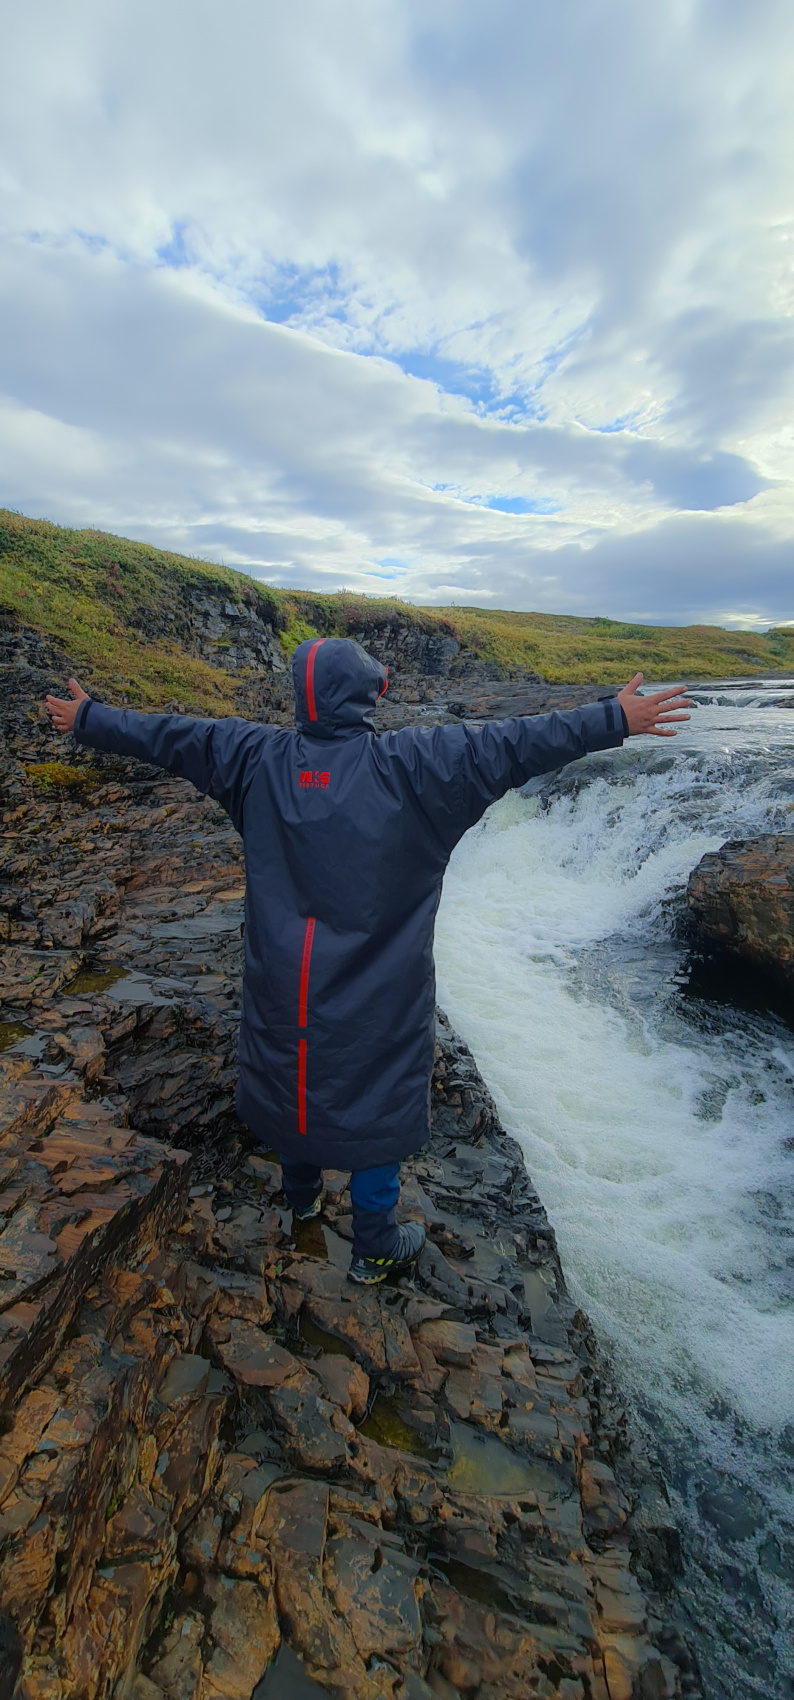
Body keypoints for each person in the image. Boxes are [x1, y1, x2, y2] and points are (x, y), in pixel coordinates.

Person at [46, 641, 691, 1283]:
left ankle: (301, 1198)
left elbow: (169, 737)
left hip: (283, 982)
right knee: (377, 1091)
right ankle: (375, 1242)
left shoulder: (253, 758)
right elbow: (515, 742)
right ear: (363, 697)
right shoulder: (415, 765)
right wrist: (613, 718)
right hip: (377, 991)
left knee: (289, 1073)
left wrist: (88, 719)